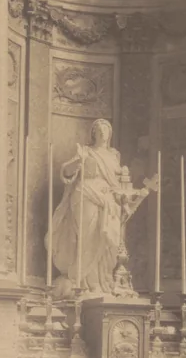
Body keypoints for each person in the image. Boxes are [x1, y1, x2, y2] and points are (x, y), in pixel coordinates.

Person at [49, 118, 150, 297]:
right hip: (85, 194)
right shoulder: (86, 151)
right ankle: (85, 281)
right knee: (87, 237)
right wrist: (77, 163)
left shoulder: (113, 156)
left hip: (108, 200)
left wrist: (129, 193)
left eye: (106, 129)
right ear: (93, 133)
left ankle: (104, 280)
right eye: (99, 130)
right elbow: (66, 172)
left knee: (109, 240)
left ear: (110, 134)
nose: (103, 133)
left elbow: (120, 183)